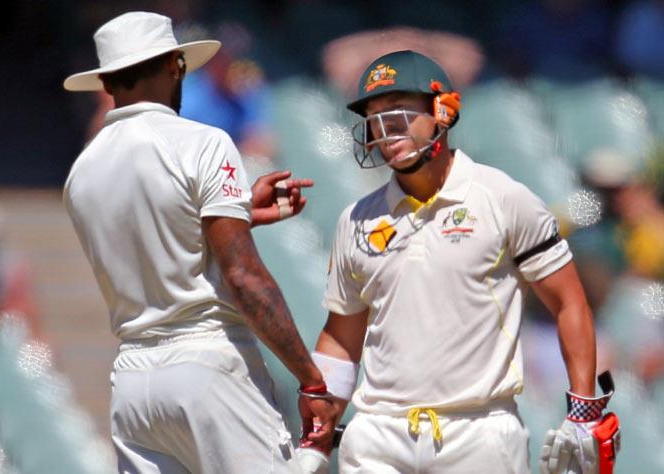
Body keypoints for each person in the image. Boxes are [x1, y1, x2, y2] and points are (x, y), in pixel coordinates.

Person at [306, 50, 620, 473]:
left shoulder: (503, 198)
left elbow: (569, 303)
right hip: (377, 431)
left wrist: (583, 410)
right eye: (375, 118)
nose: (385, 131)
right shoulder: (356, 220)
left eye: (398, 114)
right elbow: (342, 336)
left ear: (443, 111)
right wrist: (318, 431)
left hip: (479, 432)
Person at [62, 11, 336, 473]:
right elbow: (244, 276)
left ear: (108, 81)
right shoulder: (204, 143)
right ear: (175, 64)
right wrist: (311, 381)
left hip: (132, 385)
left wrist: (239, 210)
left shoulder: (81, 171)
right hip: (209, 366)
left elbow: (152, 227)